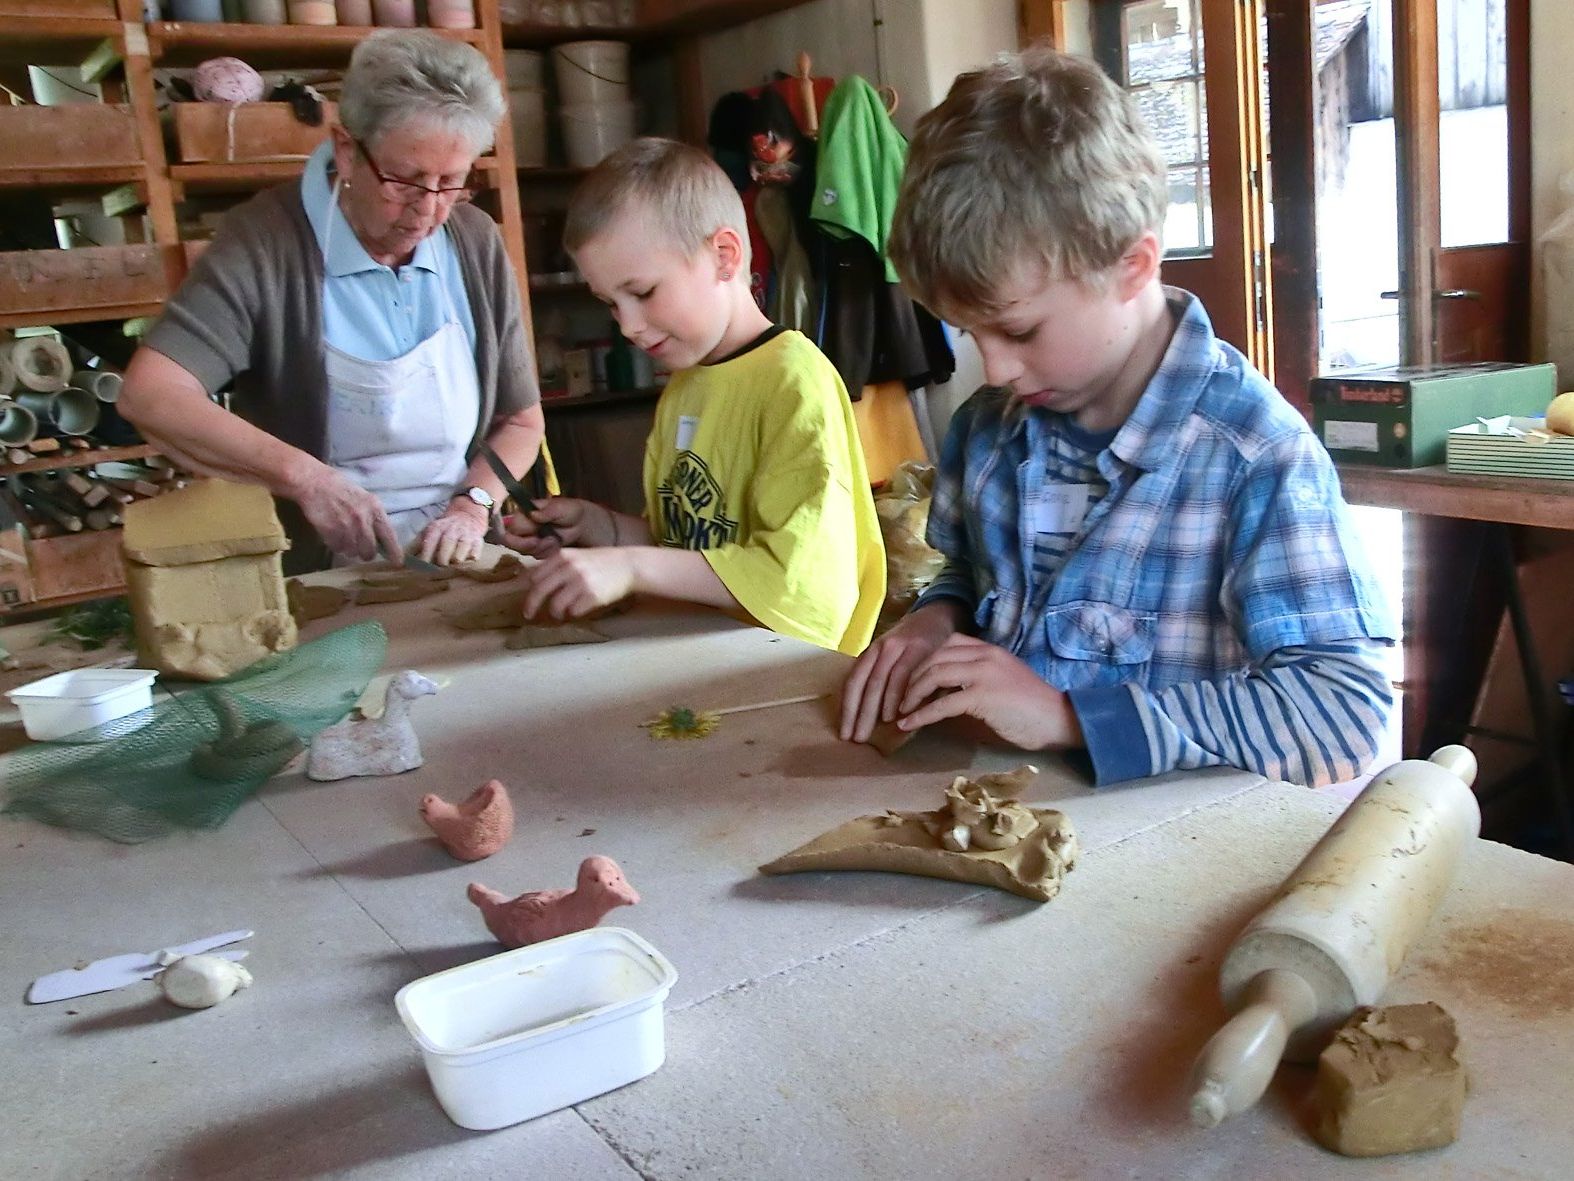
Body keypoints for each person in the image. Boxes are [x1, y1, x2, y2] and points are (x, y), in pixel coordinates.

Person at [839, 47, 1395, 787]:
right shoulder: (987, 430)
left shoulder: (1255, 456)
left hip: (1179, 846)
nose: (995, 370)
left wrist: (1071, 717)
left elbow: (1343, 715)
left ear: (1132, 266)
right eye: (970, 335)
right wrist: (936, 620)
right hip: (1004, 814)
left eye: (1019, 330)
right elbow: (972, 578)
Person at [117, 31, 545, 570]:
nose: (428, 210)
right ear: (346, 150)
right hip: (323, 569)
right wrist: (306, 479)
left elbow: (522, 422)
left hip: (459, 551)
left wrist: (473, 505)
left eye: (451, 182)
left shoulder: (475, 241)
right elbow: (151, 395)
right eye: (404, 181)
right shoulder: (266, 242)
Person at [501, 138, 885, 657]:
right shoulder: (686, 385)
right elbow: (686, 547)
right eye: (610, 303)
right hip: (701, 655)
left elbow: (797, 583)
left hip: (786, 668)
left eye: (643, 293)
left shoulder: (795, 384)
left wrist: (632, 567)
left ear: (723, 256)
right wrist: (600, 528)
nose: (628, 326)